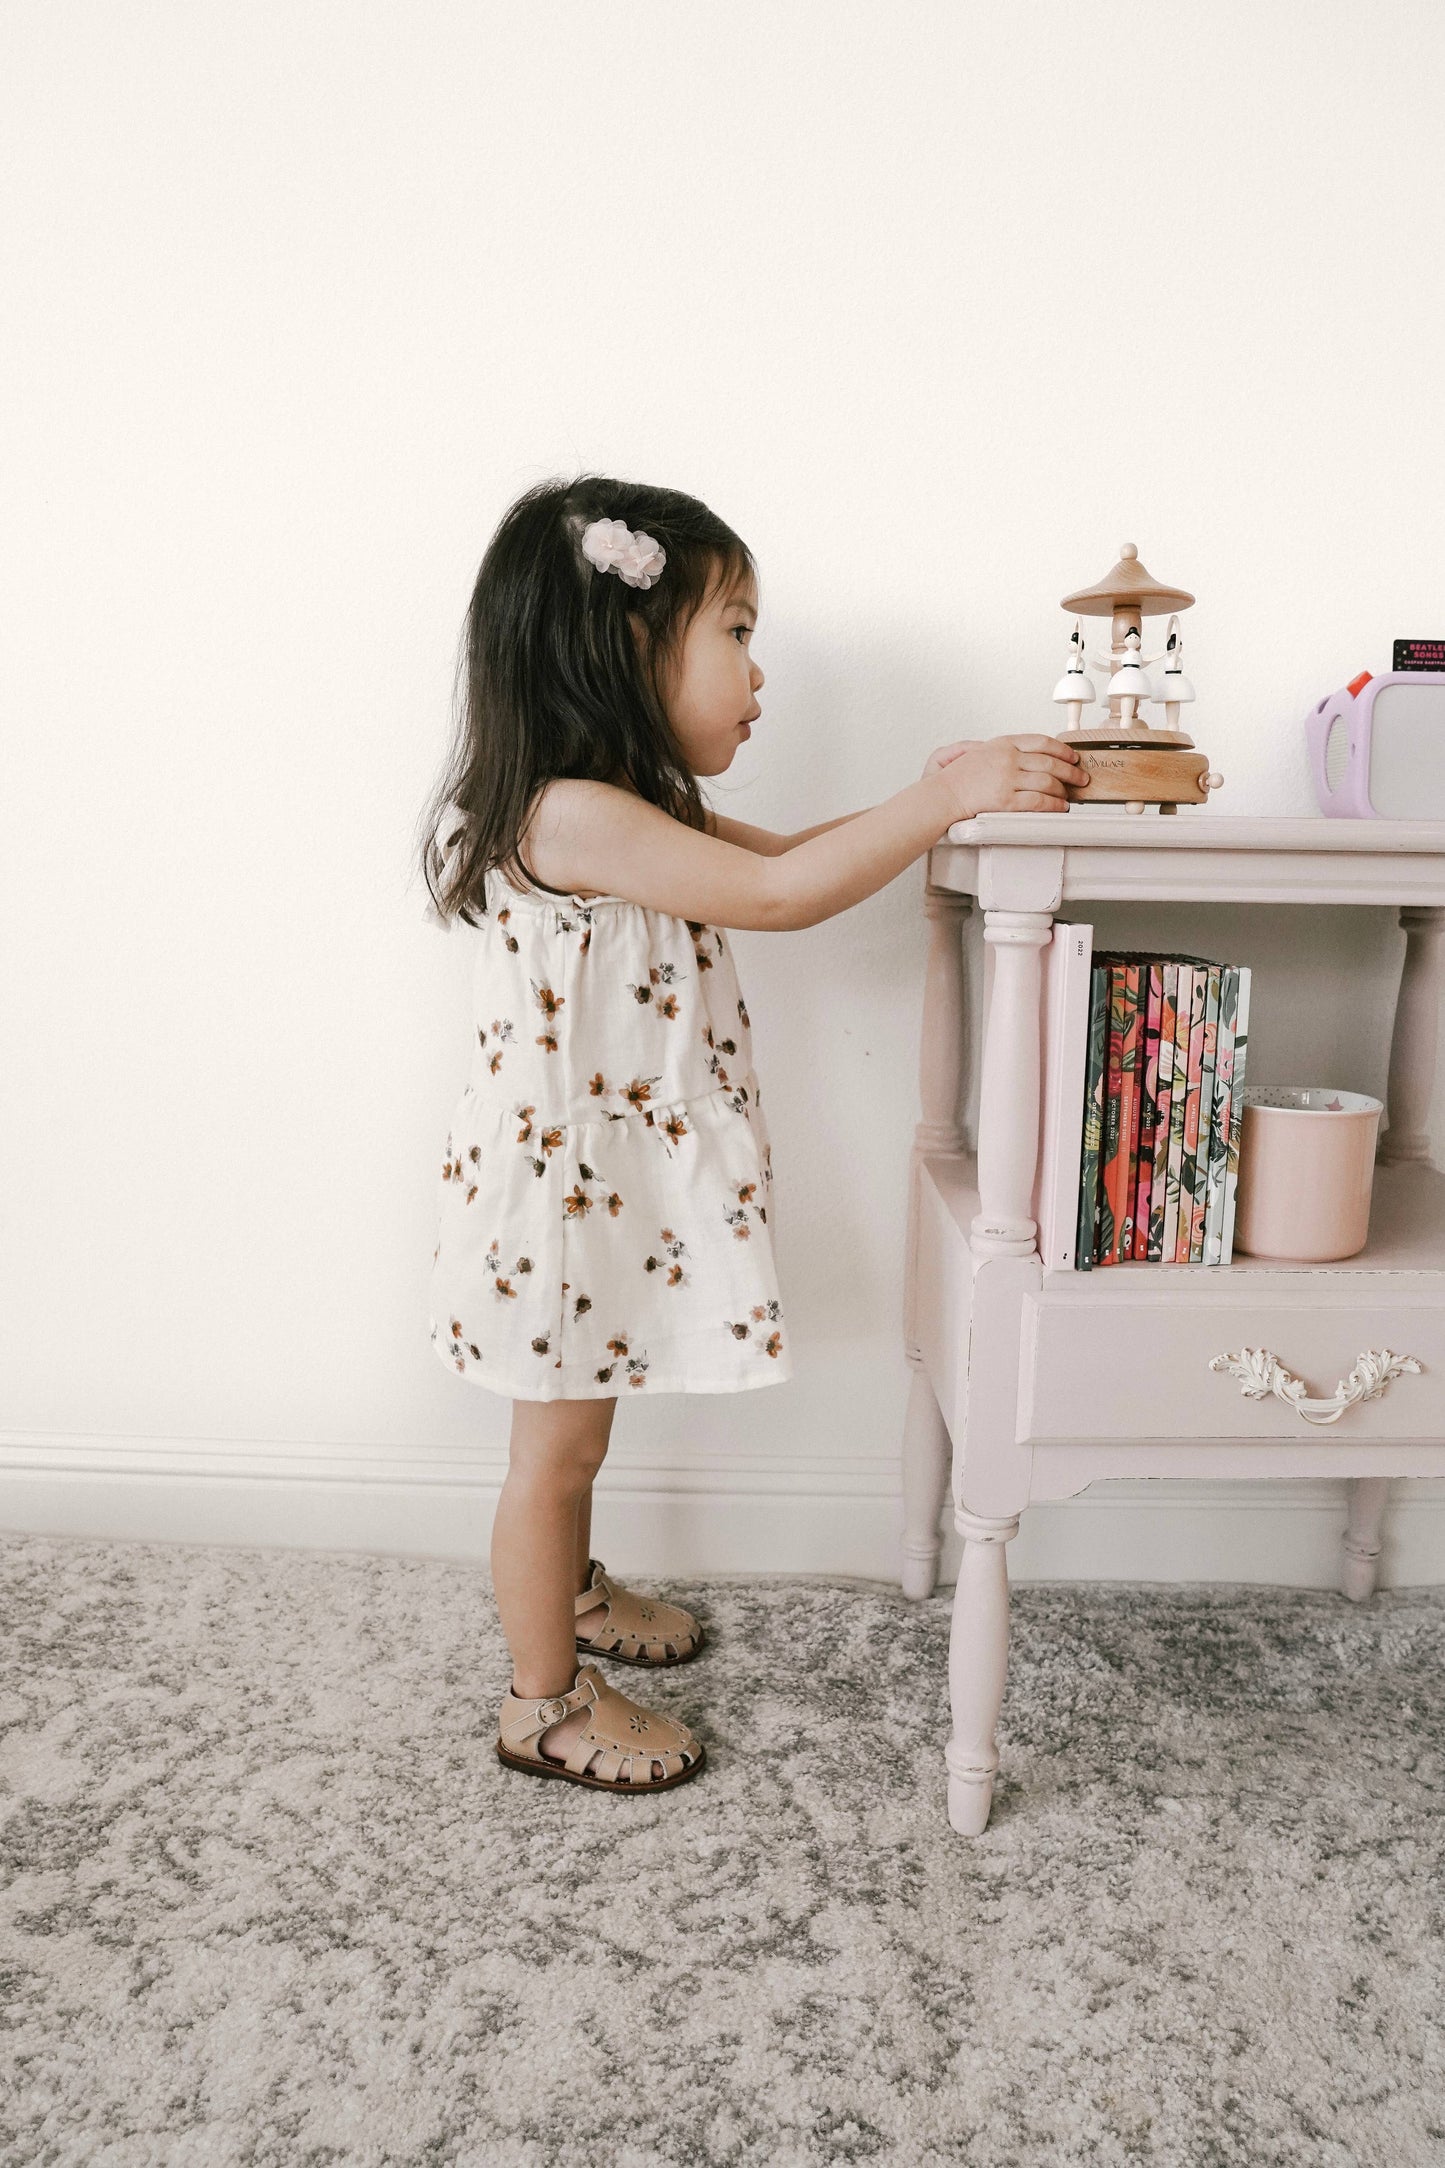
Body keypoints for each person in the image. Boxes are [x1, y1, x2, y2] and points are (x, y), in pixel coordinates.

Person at [418, 474, 1081, 1794]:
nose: (757, 668)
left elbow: (788, 854)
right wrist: (939, 801)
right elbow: (779, 897)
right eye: (733, 631)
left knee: (577, 1436)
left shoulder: (620, 811)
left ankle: (576, 1591)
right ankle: (539, 1701)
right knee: (552, 1452)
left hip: (585, 1193)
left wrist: (931, 791)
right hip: (561, 1209)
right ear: (619, 644)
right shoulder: (572, 815)